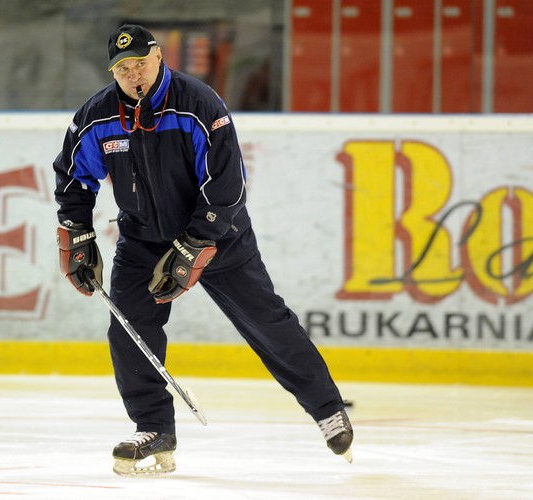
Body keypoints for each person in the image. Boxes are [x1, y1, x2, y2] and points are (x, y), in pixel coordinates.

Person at [52, 24, 352, 476]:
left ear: (158, 58)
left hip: (219, 235)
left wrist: (196, 243)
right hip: (142, 239)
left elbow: (227, 184)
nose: (133, 75)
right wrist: (77, 233)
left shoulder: (197, 105)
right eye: (122, 69)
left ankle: (328, 408)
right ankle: (153, 427)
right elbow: (74, 180)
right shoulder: (97, 116)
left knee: (265, 320)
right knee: (129, 328)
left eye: (139, 64)